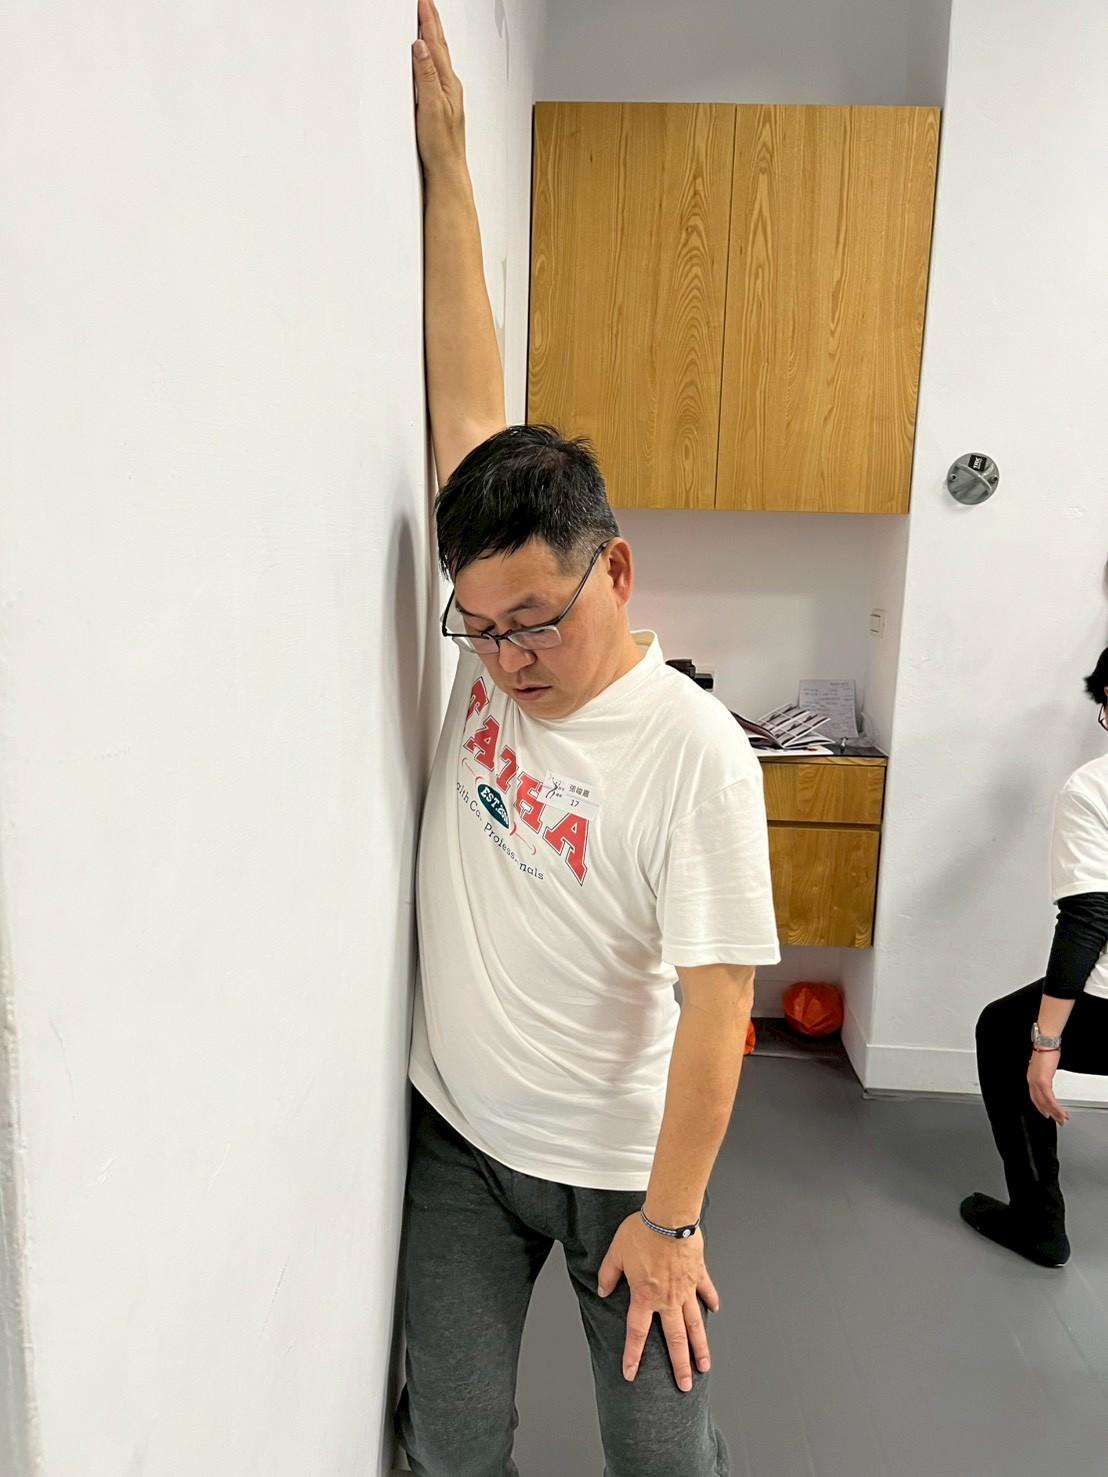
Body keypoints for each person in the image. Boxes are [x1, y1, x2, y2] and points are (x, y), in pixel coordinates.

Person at [393, 5, 781, 1474]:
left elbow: (721, 1005)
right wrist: (449, 165)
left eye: (537, 624)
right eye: (479, 628)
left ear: (615, 570)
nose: (506, 661)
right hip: (460, 1143)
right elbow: (468, 399)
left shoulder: (694, 753)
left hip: (627, 1168)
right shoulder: (497, 621)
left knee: (664, 1459)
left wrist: (673, 1220)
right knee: (454, 1446)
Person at [961, 644, 1108, 1267]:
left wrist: (1045, 1044)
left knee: (1004, 1032)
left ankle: (1038, 1223)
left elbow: (1089, 918)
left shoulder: (1094, 787)